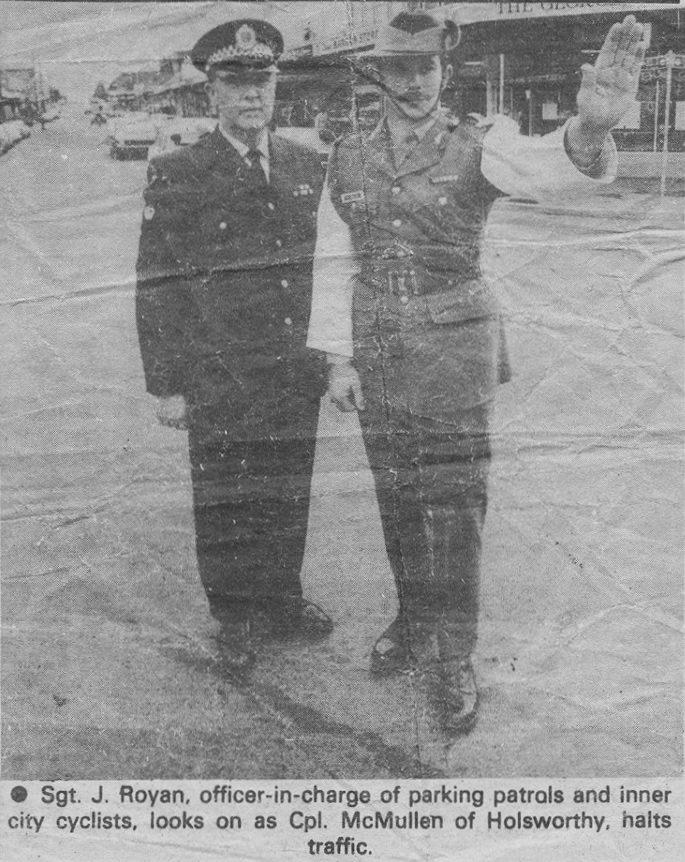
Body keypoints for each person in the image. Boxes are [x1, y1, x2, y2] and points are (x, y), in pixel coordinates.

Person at [308, 12, 645, 735]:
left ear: (443, 71)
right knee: (397, 493)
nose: (414, 83)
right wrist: (338, 358)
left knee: (454, 505)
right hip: (377, 345)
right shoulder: (348, 155)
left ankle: (453, 654)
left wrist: (589, 128)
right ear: (378, 75)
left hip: (454, 348)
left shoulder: (479, 142)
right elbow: (334, 259)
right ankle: (414, 621)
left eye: (425, 68)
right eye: (399, 69)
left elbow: (549, 168)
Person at [136, 19, 331, 672]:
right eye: (236, 82)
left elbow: (324, 271)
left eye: (263, 81)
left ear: (276, 87)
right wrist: (168, 384)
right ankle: (237, 615)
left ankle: (282, 599)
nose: (252, 94)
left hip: (291, 369)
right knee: (226, 496)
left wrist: (333, 358)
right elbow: (157, 285)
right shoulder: (179, 172)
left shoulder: (306, 164)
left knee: (288, 489)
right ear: (210, 93)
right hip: (219, 374)